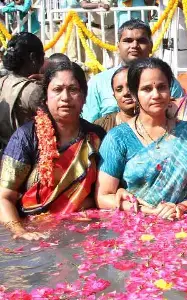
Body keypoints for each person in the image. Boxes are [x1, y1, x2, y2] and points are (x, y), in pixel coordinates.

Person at [96, 58, 187, 219]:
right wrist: (149, 211)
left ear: (170, 90)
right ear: (134, 94)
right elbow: (103, 196)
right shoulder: (118, 139)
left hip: (184, 226)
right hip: (133, 230)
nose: (156, 95)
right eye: (146, 89)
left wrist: (183, 206)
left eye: (162, 87)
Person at [0, 62, 106, 240]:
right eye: (57, 89)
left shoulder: (96, 136)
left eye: (73, 89)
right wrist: (21, 232)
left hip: (84, 230)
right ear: (46, 97)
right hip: (35, 231)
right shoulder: (26, 137)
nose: (65, 97)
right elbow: (4, 197)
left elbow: (104, 191)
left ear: (84, 96)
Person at [82, 19, 184, 123]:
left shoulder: (167, 82)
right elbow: (89, 124)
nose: (134, 45)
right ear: (118, 46)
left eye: (141, 41)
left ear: (151, 46)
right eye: (128, 40)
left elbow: (180, 118)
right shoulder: (98, 83)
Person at [0, 33, 44, 153]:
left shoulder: (2, 82)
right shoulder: (33, 90)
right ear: (33, 58)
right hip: (27, 157)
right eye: (43, 57)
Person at [94, 66, 135, 132]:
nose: (126, 93)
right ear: (114, 96)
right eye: (119, 90)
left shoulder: (155, 122)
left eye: (130, 86)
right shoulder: (101, 126)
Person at [80, 0, 116, 67]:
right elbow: (84, 5)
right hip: (94, 30)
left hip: (111, 30)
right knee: (94, 61)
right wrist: (99, 4)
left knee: (116, 60)